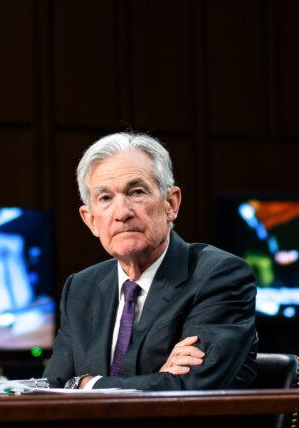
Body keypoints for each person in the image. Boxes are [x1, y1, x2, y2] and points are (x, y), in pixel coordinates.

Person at [43, 132, 258, 390]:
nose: (122, 213)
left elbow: (192, 387)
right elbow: (52, 387)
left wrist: (87, 385)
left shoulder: (219, 275)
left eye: (136, 192)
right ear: (90, 220)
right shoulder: (80, 288)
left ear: (171, 203)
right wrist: (159, 378)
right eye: (105, 198)